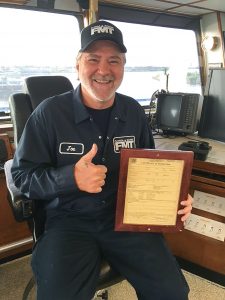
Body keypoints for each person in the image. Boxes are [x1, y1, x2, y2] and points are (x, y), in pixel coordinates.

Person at [11, 20, 192, 300]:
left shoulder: (133, 111)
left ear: (123, 66)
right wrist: (70, 178)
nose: (104, 70)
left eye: (114, 61)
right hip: (68, 222)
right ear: (78, 64)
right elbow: (23, 178)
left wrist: (174, 200)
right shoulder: (48, 114)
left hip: (125, 220)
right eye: (93, 59)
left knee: (172, 292)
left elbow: (152, 170)